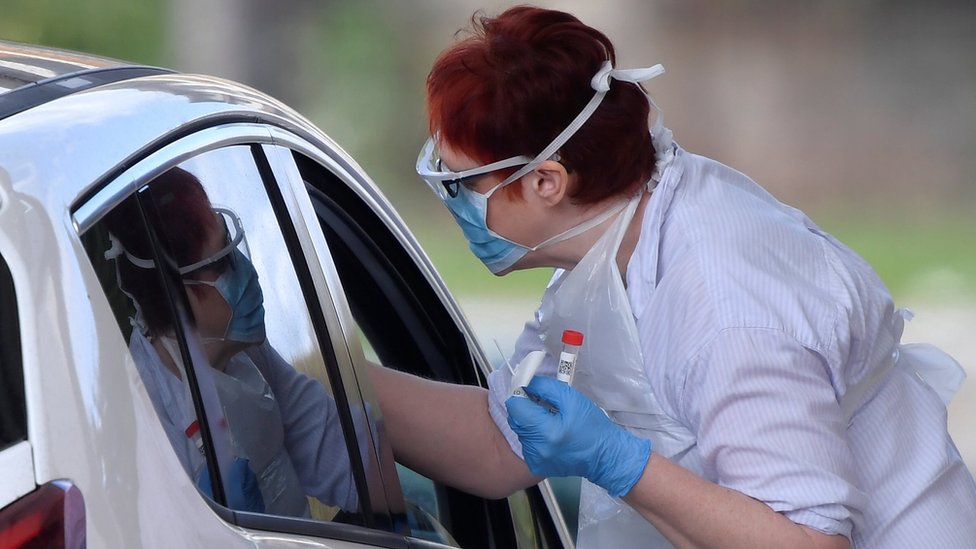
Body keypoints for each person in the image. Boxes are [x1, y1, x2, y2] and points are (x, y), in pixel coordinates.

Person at [372, 6, 976, 548]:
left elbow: (808, 544)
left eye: (461, 185)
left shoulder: (724, 304)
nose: (451, 205)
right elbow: (500, 444)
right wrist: (314, 384)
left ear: (546, 182)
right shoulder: (617, 247)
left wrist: (621, 464)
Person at [103, 167, 359, 517]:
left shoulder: (245, 353)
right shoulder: (144, 413)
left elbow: (337, 449)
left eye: (232, 249)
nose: (248, 272)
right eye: (222, 261)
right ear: (176, 294)